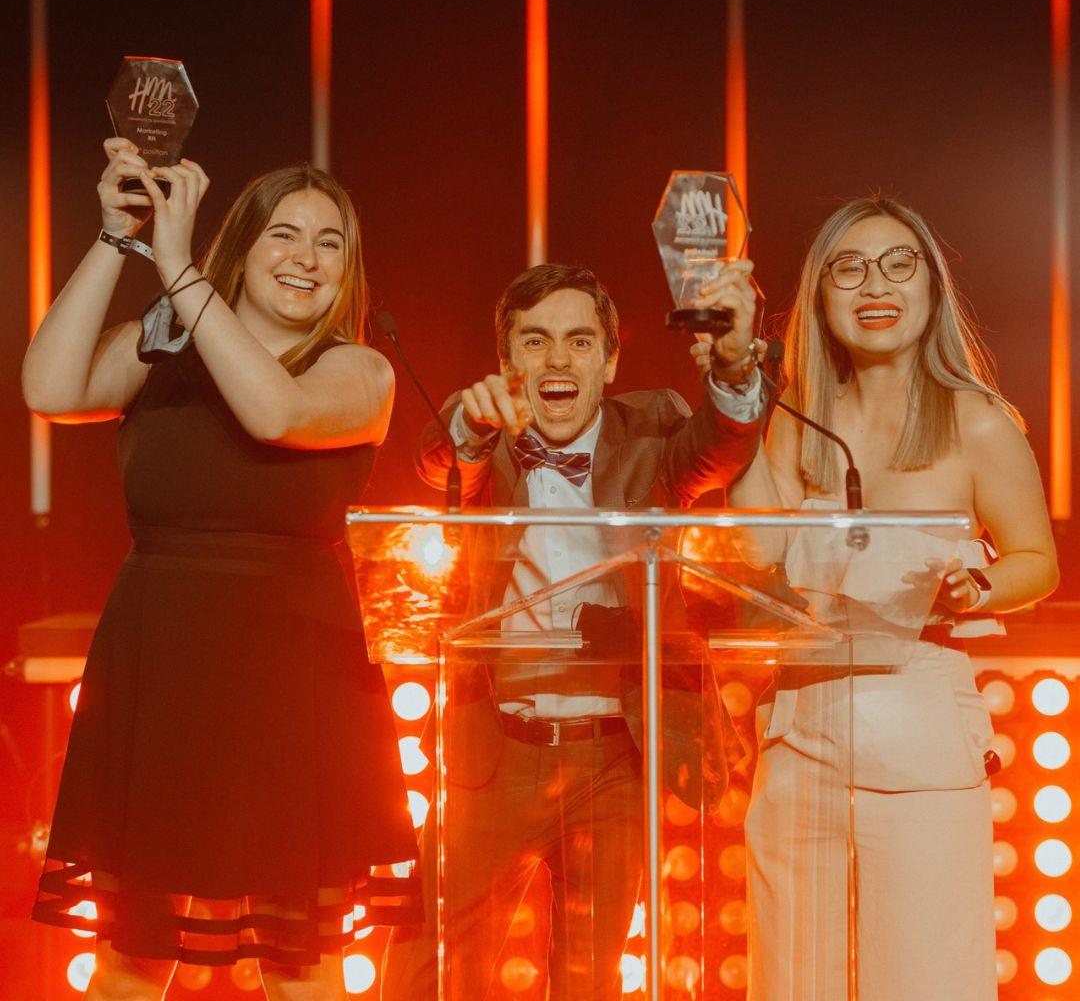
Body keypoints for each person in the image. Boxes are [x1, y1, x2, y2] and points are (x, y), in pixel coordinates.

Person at [23, 138, 420, 1000]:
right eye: (284, 234)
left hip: (295, 684)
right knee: (133, 957)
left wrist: (177, 266)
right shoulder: (163, 347)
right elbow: (50, 390)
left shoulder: (358, 370)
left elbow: (275, 414)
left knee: (301, 965)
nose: (305, 258)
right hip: (161, 672)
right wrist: (118, 240)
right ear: (242, 244)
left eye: (330, 242)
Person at [381, 261, 766, 999]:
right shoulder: (486, 432)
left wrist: (735, 362)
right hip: (490, 750)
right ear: (507, 362)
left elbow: (721, 444)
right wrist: (469, 421)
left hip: (612, 759)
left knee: (590, 981)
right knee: (428, 976)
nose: (557, 359)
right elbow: (435, 456)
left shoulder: (652, 425)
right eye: (535, 342)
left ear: (609, 359)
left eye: (579, 341)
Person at [719, 196, 1059, 1000]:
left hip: (919, 736)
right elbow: (752, 551)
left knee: (926, 981)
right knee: (791, 981)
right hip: (800, 738)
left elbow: (1036, 561)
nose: (876, 283)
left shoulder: (977, 423)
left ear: (933, 289)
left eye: (900, 262)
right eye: (850, 266)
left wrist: (974, 584)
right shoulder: (797, 420)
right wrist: (748, 385)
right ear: (819, 296)